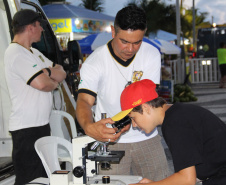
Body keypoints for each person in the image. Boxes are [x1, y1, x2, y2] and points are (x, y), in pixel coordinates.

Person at [76, 5, 170, 180]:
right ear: (113, 32)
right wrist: (89, 127)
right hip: (111, 140)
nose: (130, 49)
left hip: (147, 136)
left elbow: (148, 100)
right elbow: (84, 101)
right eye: (124, 41)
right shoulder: (95, 61)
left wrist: (128, 120)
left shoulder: (151, 54)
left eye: (137, 42)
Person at [112, 79, 226, 185]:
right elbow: (192, 172)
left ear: (145, 108)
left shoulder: (174, 124)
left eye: (133, 118)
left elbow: (187, 179)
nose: (134, 125)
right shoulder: (177, 114)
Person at [4, 9, 66, 185]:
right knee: (29, 179)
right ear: (31, 27)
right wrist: (52, 81)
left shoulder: (34, 53)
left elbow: (61, 72)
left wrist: (46, 72)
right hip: (26, 129)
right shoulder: (16, 53)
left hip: (40, 126)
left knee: (43, 178)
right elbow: (43, 84)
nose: (42, 30)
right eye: (40, 25)